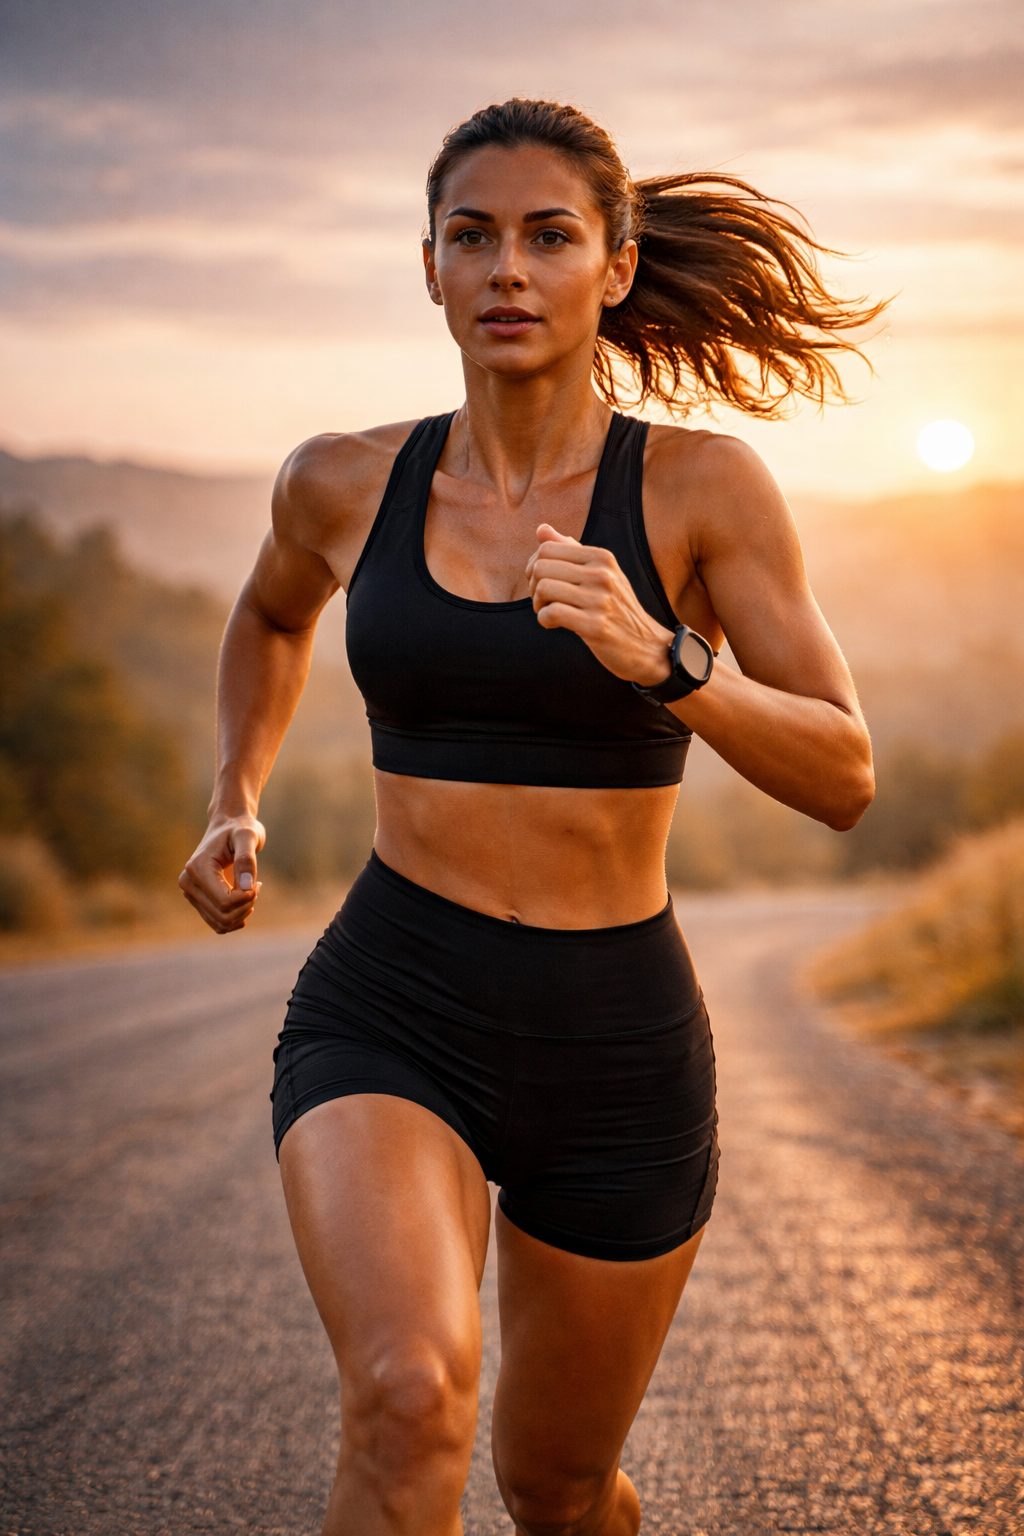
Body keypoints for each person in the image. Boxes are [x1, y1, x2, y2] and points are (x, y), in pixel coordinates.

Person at [180, 99, 878, 1536]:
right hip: (393, 999)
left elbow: (844, 774)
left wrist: (667, 662)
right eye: (472, 235)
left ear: (613, 267)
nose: (507, 268)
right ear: (426, 268)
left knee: (557, 1489)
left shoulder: (699, 490)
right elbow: (267, 614)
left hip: (612, 1035)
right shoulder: (340, 480)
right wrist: (232, 795)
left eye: (549, 236)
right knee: (407, 1398)